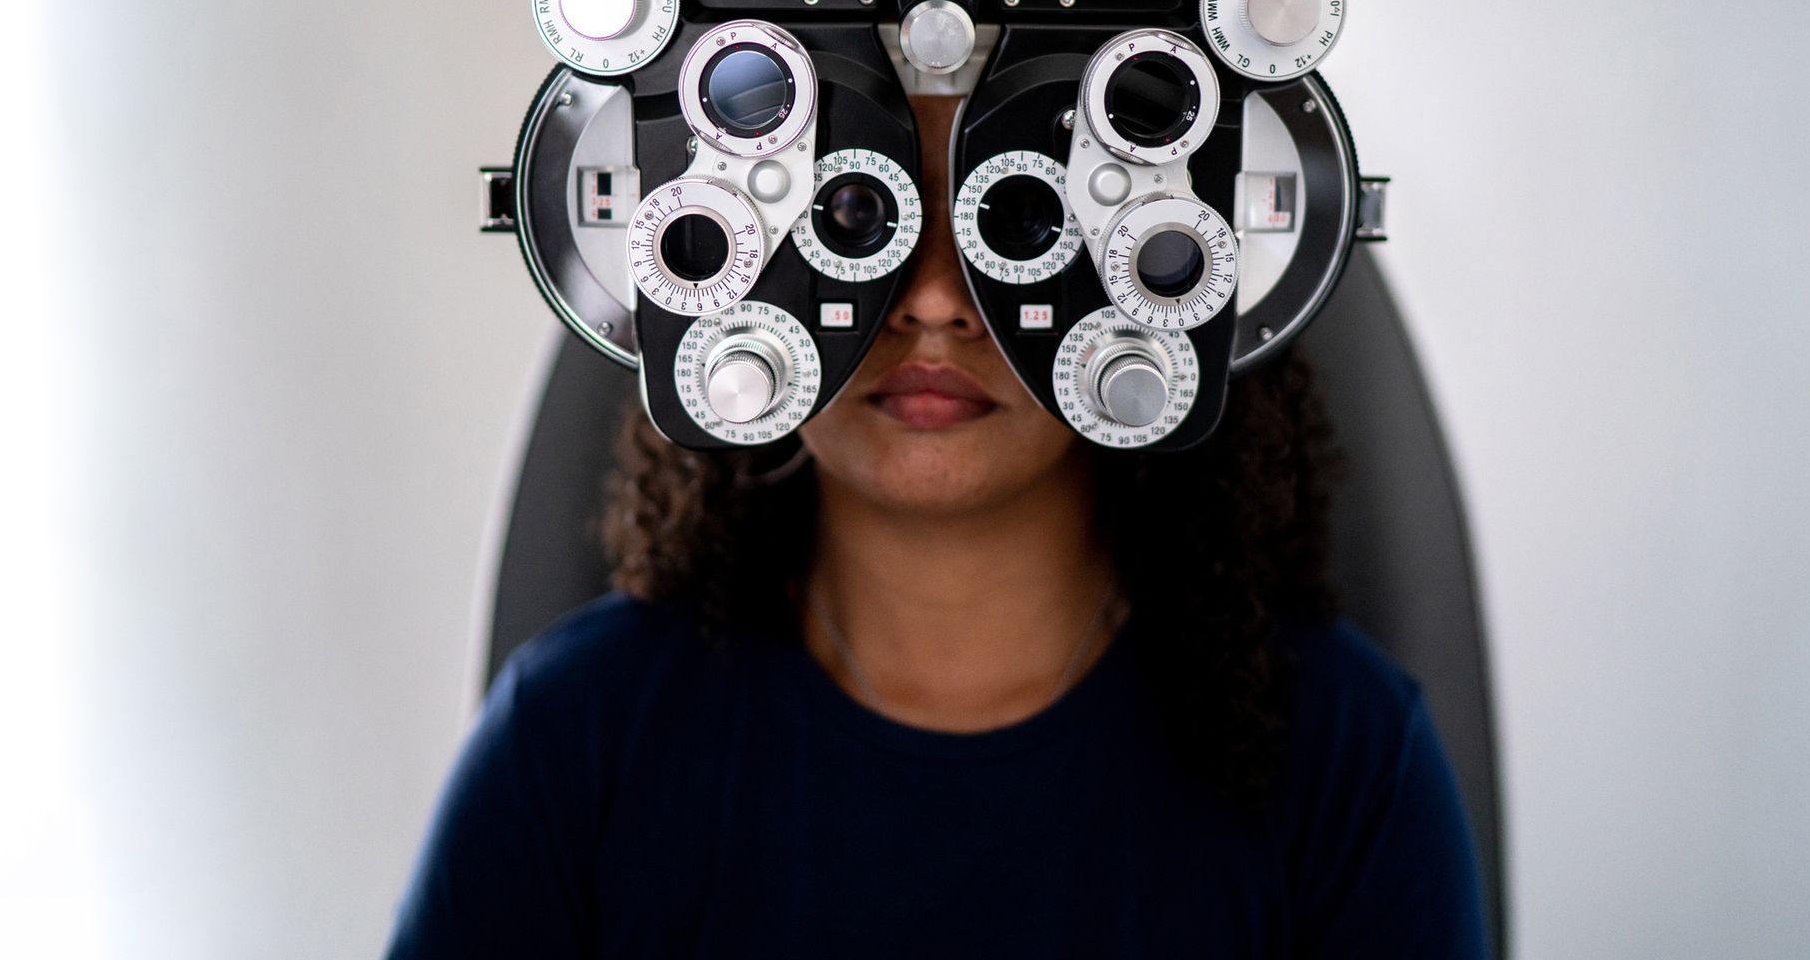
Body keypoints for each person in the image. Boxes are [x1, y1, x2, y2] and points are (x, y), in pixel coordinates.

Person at [384, 94, 1490, 958]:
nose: (931, 300)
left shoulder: (1346, 757)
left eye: (1019, 219)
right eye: (853, 216)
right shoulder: (575, 740)